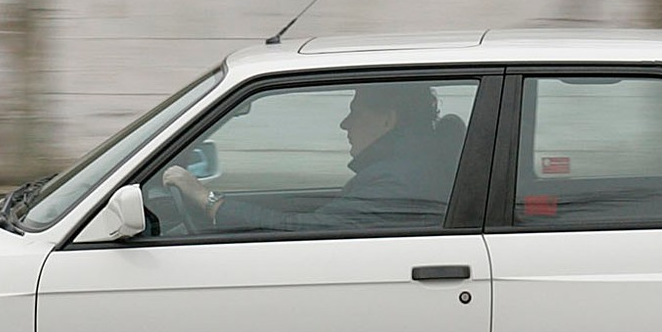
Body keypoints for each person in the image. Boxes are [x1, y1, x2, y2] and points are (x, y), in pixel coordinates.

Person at [161, 82, 463, 233]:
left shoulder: (395, 181)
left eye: (355, 113)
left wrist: (209, 201)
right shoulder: (409, 168)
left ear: (387, 120)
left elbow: (306, 231)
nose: (345, 124)